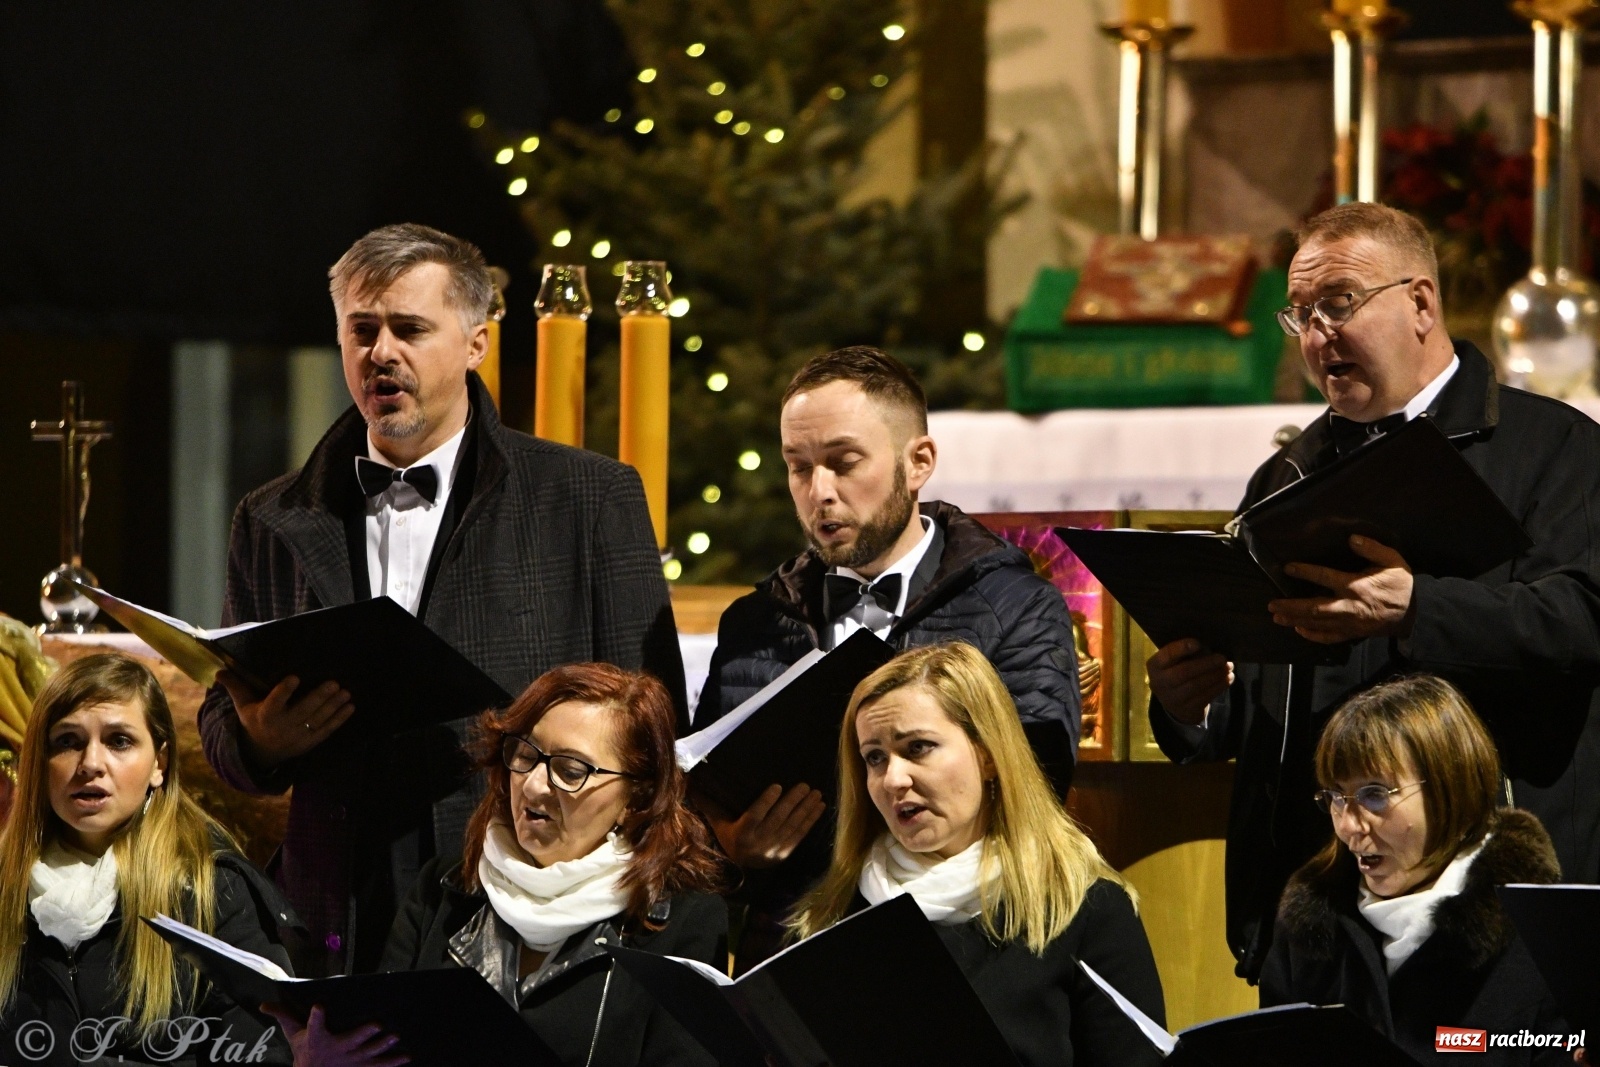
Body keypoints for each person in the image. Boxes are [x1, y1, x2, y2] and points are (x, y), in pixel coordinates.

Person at [198, 224, 684, 974]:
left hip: (521, 896)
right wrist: (263, 739)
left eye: (410, 329)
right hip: (339, 901)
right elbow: (223, 728)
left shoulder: (586, 495)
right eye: (362, 330)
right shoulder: (273, 516)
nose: (380, 352)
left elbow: (655, 723)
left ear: (475, 344)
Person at [1146, 201, 1600, 981]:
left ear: (1422, 302)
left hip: (1496, 911)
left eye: (1340, 304)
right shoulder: (1284, 477)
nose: (1318, 334)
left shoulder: (1553, 447)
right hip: (1318, 916)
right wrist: (1194, 707)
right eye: (1301, 315)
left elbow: (1582, 620)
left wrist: (1420, 608)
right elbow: (1269, 693)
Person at [694, 345, 1080, 968]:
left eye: (845, 463)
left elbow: (1038, 787)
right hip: (795, 943)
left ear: (918, 461)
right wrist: (735, 849)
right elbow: (703, 792)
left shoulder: (1014, 605)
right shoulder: (757, 622)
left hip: (964, 946)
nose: (819, 492)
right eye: (798, 467)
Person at [275, 663, 727, 1067]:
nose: (532, 786)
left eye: (571, 770)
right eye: (524, 756)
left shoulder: (682, 921)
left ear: (638, 798)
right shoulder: (445, 888)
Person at [790, 643, 1163, 1067]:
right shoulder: (831, 916)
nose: (892, 778)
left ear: (987, 754)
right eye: (874, 758)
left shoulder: (1084, 909)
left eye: (917, 748)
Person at [0, 653, 296, 1066]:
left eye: (119, 741)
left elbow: (264, 1053)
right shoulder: (4, 886)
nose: (90, 764)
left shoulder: (213, 890)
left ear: (160, 763)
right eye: (67, 741)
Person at [1260, 675, 1567, 1065]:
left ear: (1449, 787)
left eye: (1374, 795)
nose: (1348, 826)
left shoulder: (1543, 934)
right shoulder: (1309, 928)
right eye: (1336, 797)